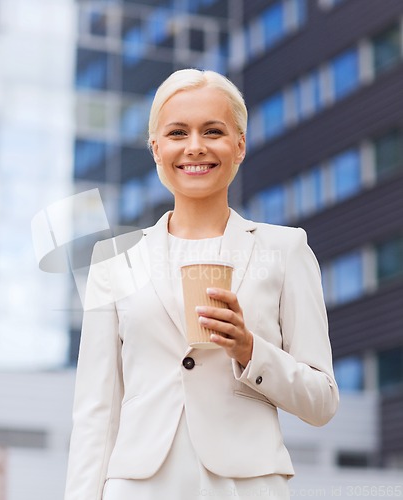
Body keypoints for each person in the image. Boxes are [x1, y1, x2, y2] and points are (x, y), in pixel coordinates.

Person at [64, 69, 339, 500]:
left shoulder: (286, 250)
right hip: (139, 487)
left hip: (247, 486)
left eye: (213, 131)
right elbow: (96, 413)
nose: (195, 147)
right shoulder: (113, 261)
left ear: (240, 145)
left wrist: (250, 350)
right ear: (156, 148)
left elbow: (321, 401)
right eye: (177, 132)